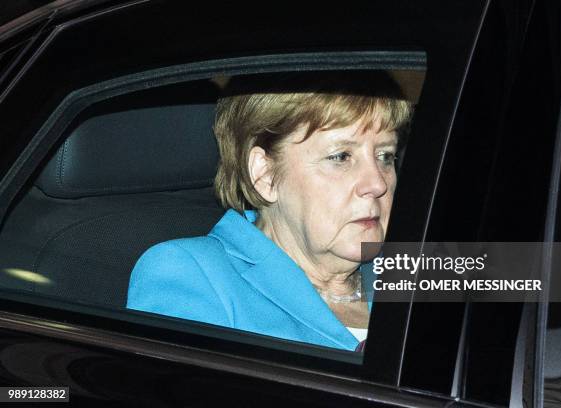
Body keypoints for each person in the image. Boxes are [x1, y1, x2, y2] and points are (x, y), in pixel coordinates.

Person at [126, 71, 413, 351]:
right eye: (340, 157)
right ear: (265, 176)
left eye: (385, 156)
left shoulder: (420, 267)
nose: (377, 183)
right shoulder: (188, 272)